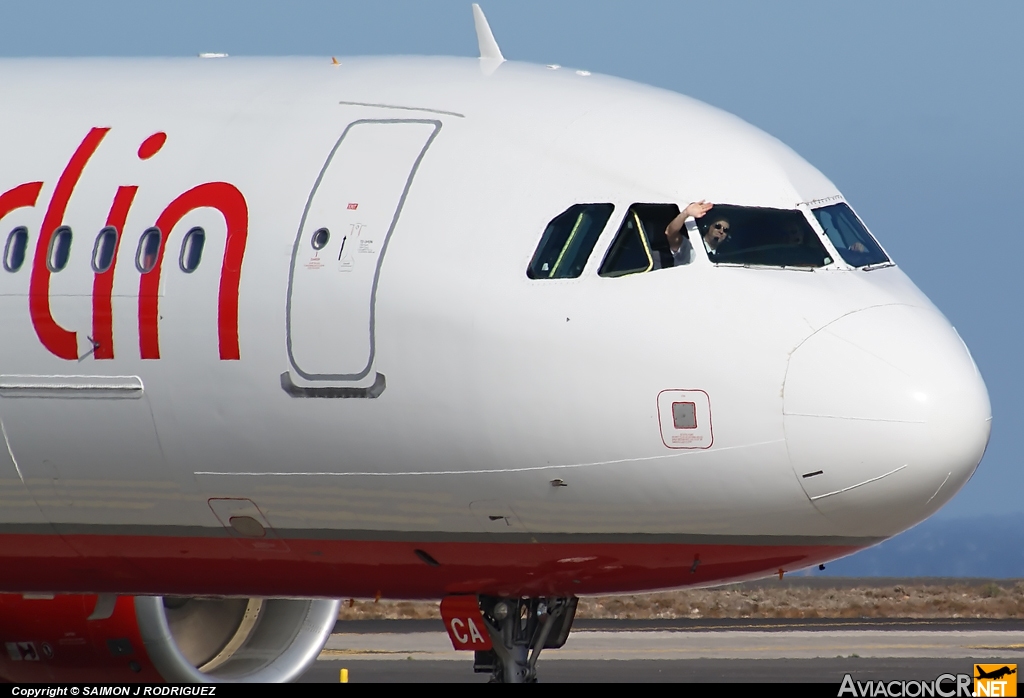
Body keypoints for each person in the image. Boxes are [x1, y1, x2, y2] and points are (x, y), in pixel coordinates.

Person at [664, 201, 729, 263]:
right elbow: (670, 232)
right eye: (717, 226)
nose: (721, 231)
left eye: (725, 230)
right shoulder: (688, 246)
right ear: (708, 227)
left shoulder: (724, 257)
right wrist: (686, 213)